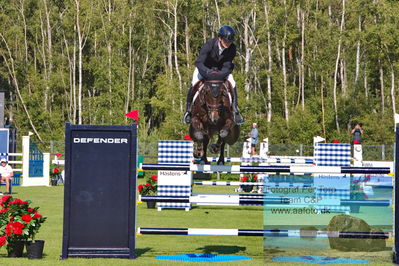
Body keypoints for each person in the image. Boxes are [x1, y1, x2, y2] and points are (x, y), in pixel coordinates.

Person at [183, 25, 244, 125]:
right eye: (226, 41)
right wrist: (208, 72)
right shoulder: (209, 44)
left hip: (221, 71)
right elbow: (199, 62)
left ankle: (235, 110)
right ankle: (188, 111)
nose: (228, 43)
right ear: (220, 38)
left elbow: (228, 65)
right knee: (194, 83)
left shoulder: (232, 48)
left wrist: (220, 74)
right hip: (205, 69)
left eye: (230, 41)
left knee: (232, 83)